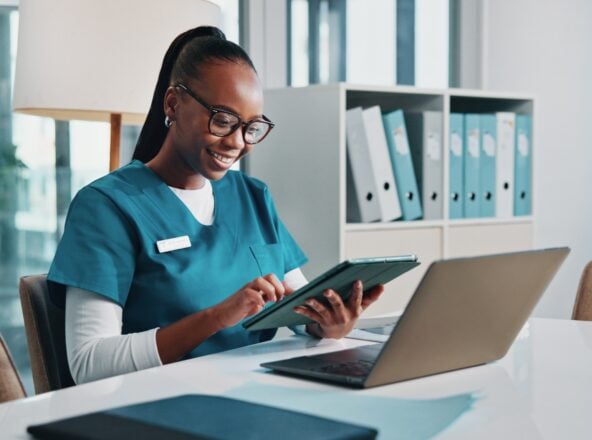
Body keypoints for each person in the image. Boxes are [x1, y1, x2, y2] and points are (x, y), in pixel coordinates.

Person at [47, 26, 384, 385]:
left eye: (251, 128)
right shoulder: (107, 206)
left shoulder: (252, 196)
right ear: (173, 104)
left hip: (254, 392)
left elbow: (301, 312)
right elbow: (88, 364)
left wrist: (329, 323)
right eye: (223, 121)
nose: (238, 142)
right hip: (158, 405)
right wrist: (219, 316)